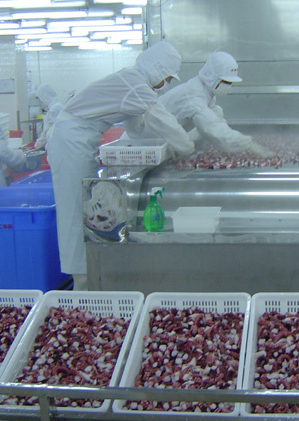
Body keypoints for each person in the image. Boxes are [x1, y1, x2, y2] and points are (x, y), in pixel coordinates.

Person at [47, 41, 193, 291]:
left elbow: (137, 130)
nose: (166, 84)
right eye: (167, 78)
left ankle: (89, 274)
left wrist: (166, 146)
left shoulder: (131, 82)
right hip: (72, 140)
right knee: (75, 211)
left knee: (84, 207)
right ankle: (81, 283)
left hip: (78, 139)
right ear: (157, 69)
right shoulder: (135, 85)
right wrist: (187, 147)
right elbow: (163, 120)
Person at [154, 51, 272, 157]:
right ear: (211, 76)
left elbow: (214, 121)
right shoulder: (194, 97)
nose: (228, 86)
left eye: (230, 82)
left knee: (217, 112)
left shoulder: (205, 92)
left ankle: (181, 146)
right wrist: (248, 144)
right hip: (154, 140)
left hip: (169, 136)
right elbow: (213, 128)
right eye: (225, 81)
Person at [34, 83, 62, 149]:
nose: (41, 101)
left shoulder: (54, 109)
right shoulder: (58, 106)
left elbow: (48, 131)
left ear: (44, 95)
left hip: (56, 145)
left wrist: (37, 145)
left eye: (40, 98)